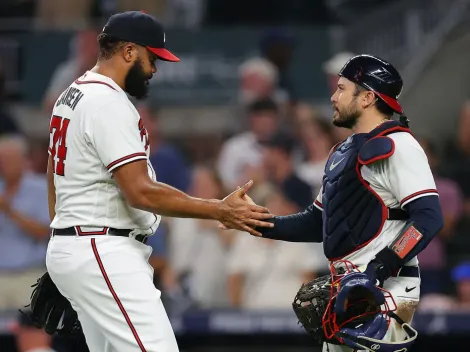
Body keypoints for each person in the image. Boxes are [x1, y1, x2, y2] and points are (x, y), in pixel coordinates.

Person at [45, 11, 273, 352]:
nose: (154, 69)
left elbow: (53, 171)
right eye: (152, 58)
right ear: (129, 52)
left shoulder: (72, 94)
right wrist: (217, 210)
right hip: (101, 248)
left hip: (83, 244)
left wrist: (65, 240)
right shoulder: (107, 102)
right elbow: (140, 191)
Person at [232, 54, 444, 351]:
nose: (333, 96)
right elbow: (317, 222)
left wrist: (379, 269)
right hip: (346, 287)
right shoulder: (342, 152)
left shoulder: (399, 145)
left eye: (342, 89)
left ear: (368, 97)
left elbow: (427, 219)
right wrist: (253, 220)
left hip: (384, 288)